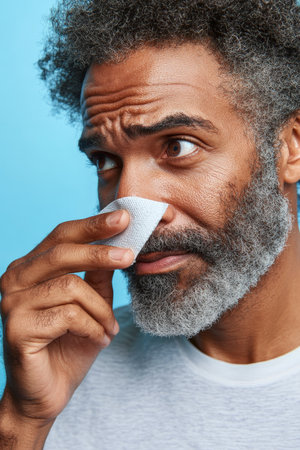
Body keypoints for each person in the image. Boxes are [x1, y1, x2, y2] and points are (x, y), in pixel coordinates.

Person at [0, 0, 300, 448]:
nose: (129, 210)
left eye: (177, 146)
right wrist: (23, 421)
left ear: (289, 148)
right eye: (105, 160)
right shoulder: (63, 380)